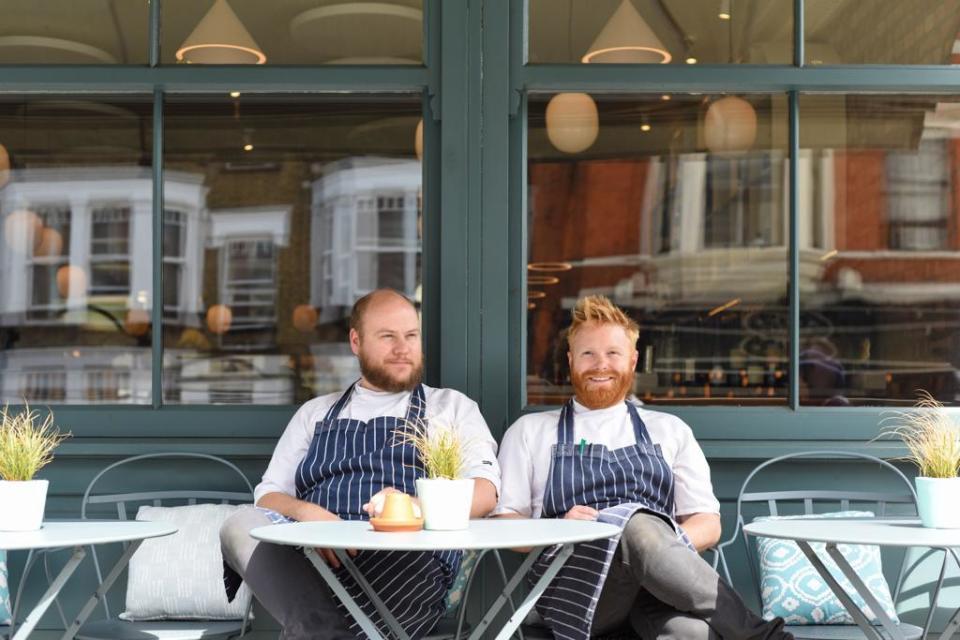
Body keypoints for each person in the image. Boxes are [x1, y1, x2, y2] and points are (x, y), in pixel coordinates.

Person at [495, 295, 793, 640]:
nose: (600, 364)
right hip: (575, 591)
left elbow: (708, 525)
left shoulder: (670, 430)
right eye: (588, 353)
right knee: (634, 525)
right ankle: (763, 636)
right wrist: (557, 528)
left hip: (659, 592)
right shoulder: (531, 431)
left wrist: (656, 550)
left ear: (633, 360)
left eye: (612, 353)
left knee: (692, 634)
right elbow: (506, 526)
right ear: (570, 360)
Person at [220, 289, 501, 640]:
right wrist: (308, 516)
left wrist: (413, 507)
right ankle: (325, 631)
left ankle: (319, 633)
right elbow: (268, 495)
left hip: (406, 560)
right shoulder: (316, 413)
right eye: (388, 337)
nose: (403, 348)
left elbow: (486, 491)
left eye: (411, 336)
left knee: (311, 629)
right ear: (356, 341)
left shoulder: (451, 408)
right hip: (316, 563)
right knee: (238, 525)